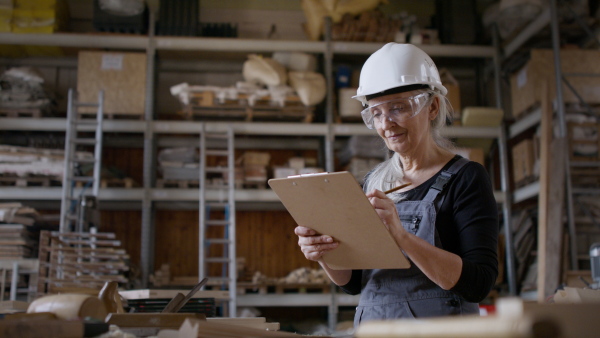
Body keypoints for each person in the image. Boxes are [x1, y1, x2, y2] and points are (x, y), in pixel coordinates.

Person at [294, 43, 499, 326]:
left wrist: (401, 236)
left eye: (398, 108)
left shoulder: (466, 178)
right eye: (376, 113)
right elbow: (355, 282)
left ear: (433, 107)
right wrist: (324, 253)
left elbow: (479, 283)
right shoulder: (374, 181)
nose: (386, 124)